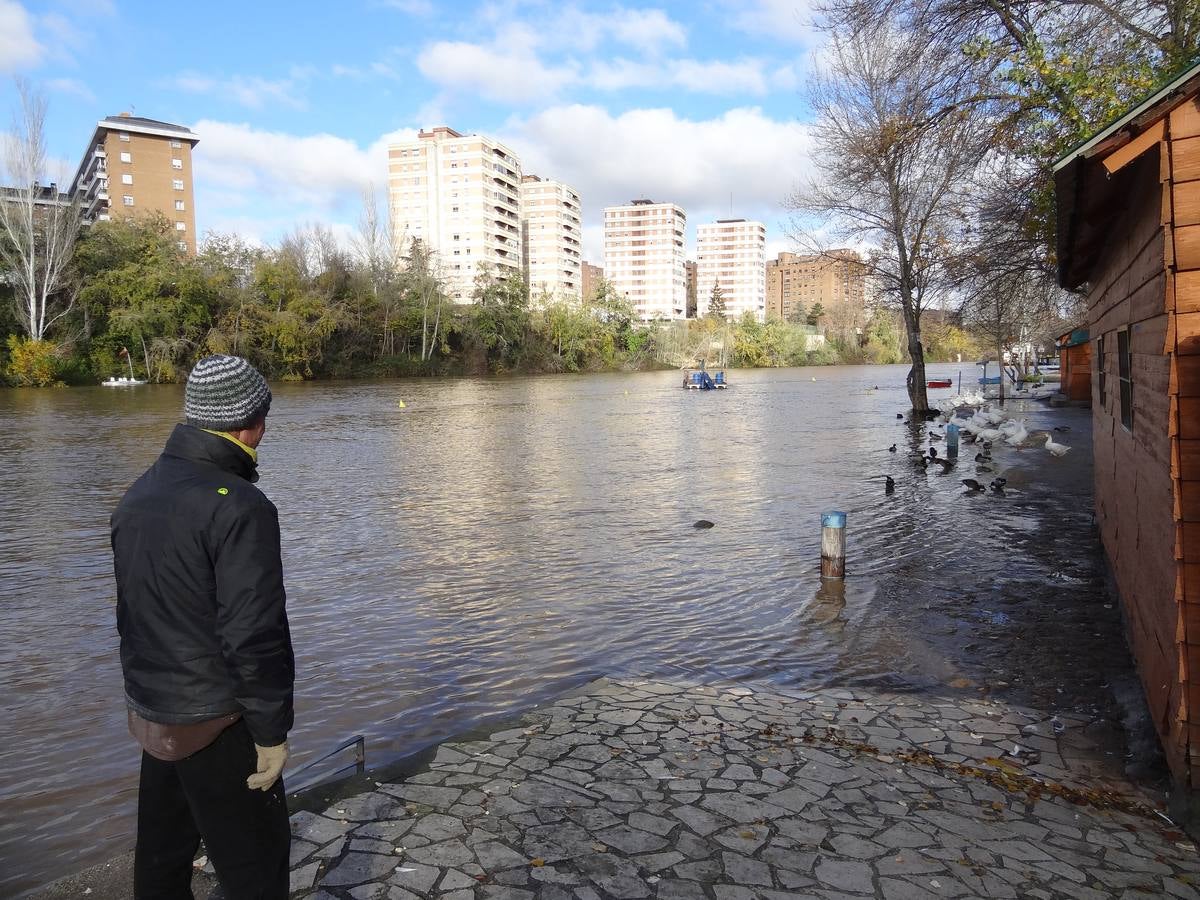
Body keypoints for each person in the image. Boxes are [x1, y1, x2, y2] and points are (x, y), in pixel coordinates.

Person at [112, 354, 294, 899]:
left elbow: (133, 613)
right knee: (255, 870)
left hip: (156, 715)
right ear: (250, 424)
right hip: (220, 720)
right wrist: (270, 732)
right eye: (264, 419)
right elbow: (253, 634)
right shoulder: (240, 506)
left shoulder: (139, 493)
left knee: (162, 863)